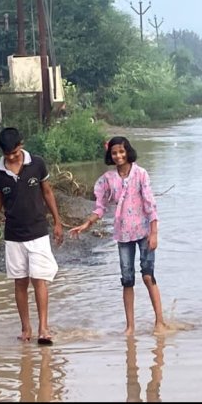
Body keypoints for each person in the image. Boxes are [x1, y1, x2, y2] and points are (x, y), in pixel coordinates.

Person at [0, 127, 64, 346]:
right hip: (13, 235)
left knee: (40, 280)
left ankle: (43, 328)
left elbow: (47, 192)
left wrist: (57, 221)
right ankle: (25, 328)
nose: (11, 157)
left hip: (38, 232)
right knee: (20, 282)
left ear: (21, 145)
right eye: (7, 154)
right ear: (2, 151)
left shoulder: (37, 163)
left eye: (14, 152)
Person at [68, 136, 166, 335]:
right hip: (123, 235)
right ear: (110, 155)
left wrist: (154, 233)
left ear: (128, 151)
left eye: (121, 151)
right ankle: (130, 327)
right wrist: (87, 223)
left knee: (148, 277)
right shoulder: (108, 179)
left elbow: (150, 204)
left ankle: (160, 322)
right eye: (114, 153)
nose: (119, 156)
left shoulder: (141, 174)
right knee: (127, 280)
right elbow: (101, 207)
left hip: (144, 231)